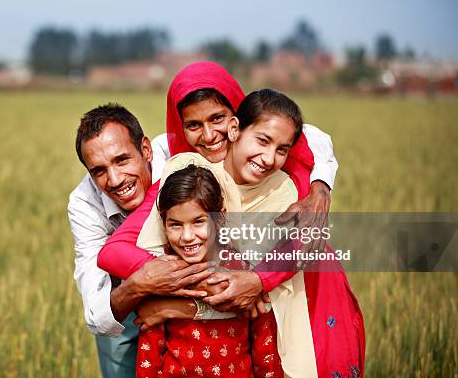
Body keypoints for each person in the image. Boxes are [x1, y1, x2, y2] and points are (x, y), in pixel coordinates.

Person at [101, 90, 365, 377]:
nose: (268, 157)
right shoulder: (195, 179)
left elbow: (314, 138)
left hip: (306, 302)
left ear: (230, 121)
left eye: (281, 149)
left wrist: (178, 307)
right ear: (236, 129)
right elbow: (114, 252)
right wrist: (159, 281)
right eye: (194, 125)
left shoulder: (287, 188)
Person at [68, 104, 212, 377]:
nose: (115, 179)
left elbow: (287, 130)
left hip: (205, 293)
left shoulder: (175, 156)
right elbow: (97, 310)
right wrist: (139, 284)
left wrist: (320, 186)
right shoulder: (84, 203)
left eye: (122, 160)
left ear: (146, 149)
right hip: (129, 309)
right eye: (99, 170)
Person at [135, 164, 283, 377]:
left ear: (219, 216)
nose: (187, 236)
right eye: (175, 224)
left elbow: (265, 348)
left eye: (198, 222)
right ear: (163, 221)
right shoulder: (161, 276)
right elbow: (148, 358)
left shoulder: (243, 273)